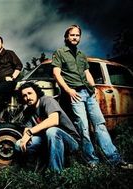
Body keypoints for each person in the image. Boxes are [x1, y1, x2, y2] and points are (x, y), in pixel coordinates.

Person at [52, 24, 130, 168]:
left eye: (77, 35)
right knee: (83, 127)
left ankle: (115, 160)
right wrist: (68, 90)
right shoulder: (60, 52)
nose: (75, 37)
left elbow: (87, 73)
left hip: (88, 93)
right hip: (74, 94)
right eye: (72, 35)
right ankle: (91, 160)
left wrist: (93, 88)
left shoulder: (82, 55)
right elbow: (56, 73)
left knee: (100, 125)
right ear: (66, 37)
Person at [15, 82, 81, 172]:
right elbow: (27, 129)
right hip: (48, 140)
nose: (28, 97)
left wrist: (29, 132)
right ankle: (33, 170)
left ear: (37, 92)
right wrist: (25, 137)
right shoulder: (28, 110)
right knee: (19, 144)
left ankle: (55, 174)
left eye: (30, 93)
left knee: (52, 131)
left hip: (70, 141)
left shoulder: (47, 100)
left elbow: (54, 120)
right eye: (24, 96)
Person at [0, 34, 23, 120]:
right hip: (0, 83)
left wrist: (12, 77)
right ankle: (1, 117)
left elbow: (19, 65)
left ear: (2, 44)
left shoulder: (9, 53)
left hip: (9, 82)